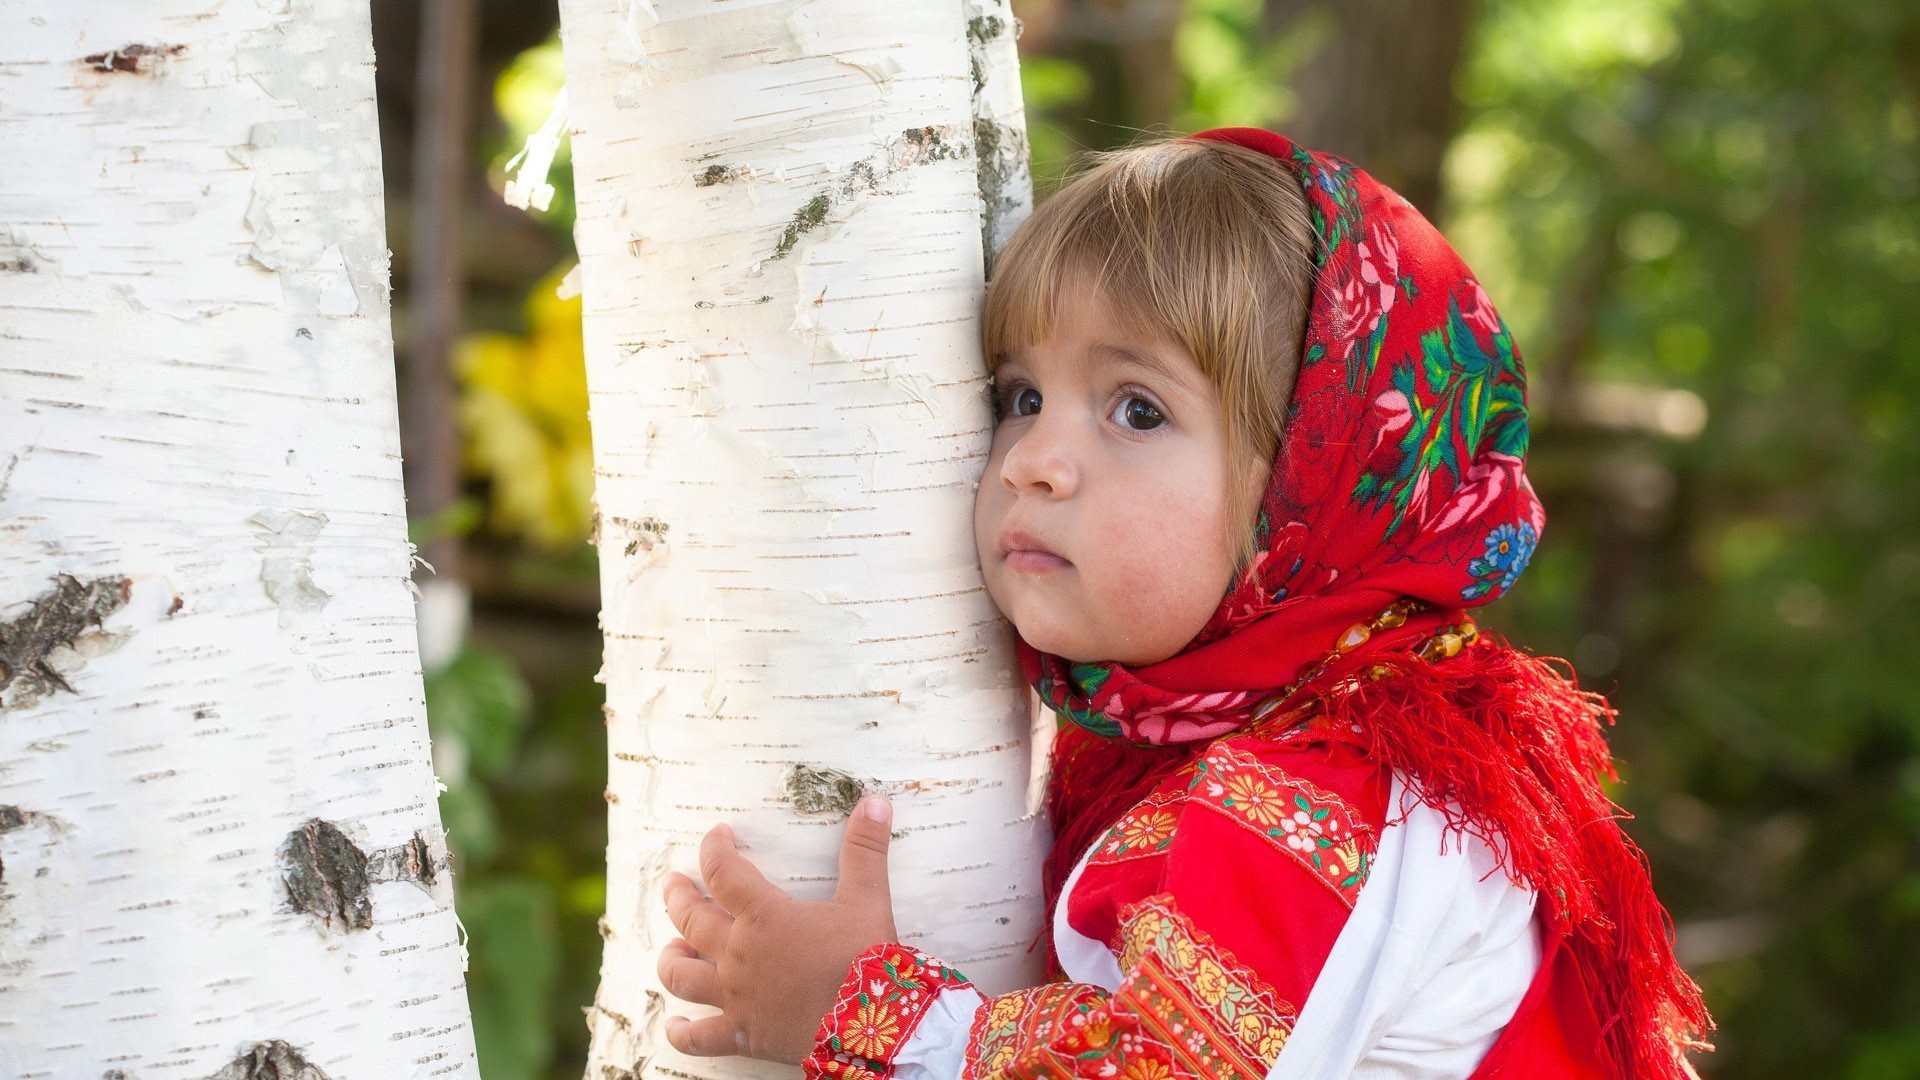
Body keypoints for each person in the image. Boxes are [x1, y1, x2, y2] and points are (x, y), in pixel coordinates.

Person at [653, 128, 1712, 1080]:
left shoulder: (1342, 792)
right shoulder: (1191, 740)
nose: (1034, 460)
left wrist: (856, 1012)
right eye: (1020, 397)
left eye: (1137, 409)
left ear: (1315, 485)